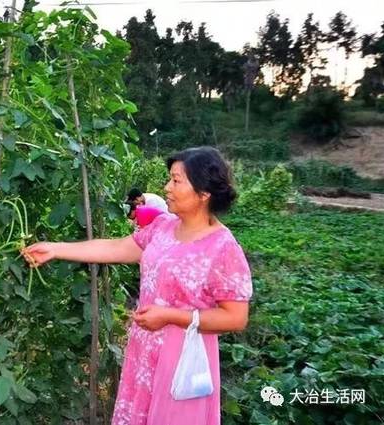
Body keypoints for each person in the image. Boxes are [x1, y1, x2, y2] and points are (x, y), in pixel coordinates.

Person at [22, 147, 253, 425]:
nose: (167, 187)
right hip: (144, 349)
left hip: (183, 358)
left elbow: (236, 317)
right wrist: (55, 249)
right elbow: (117, 247)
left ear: (204, 193)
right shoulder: (163, 228)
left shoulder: (221, 247)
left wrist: (170, 316)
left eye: (176, 181)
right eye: (169, 179)